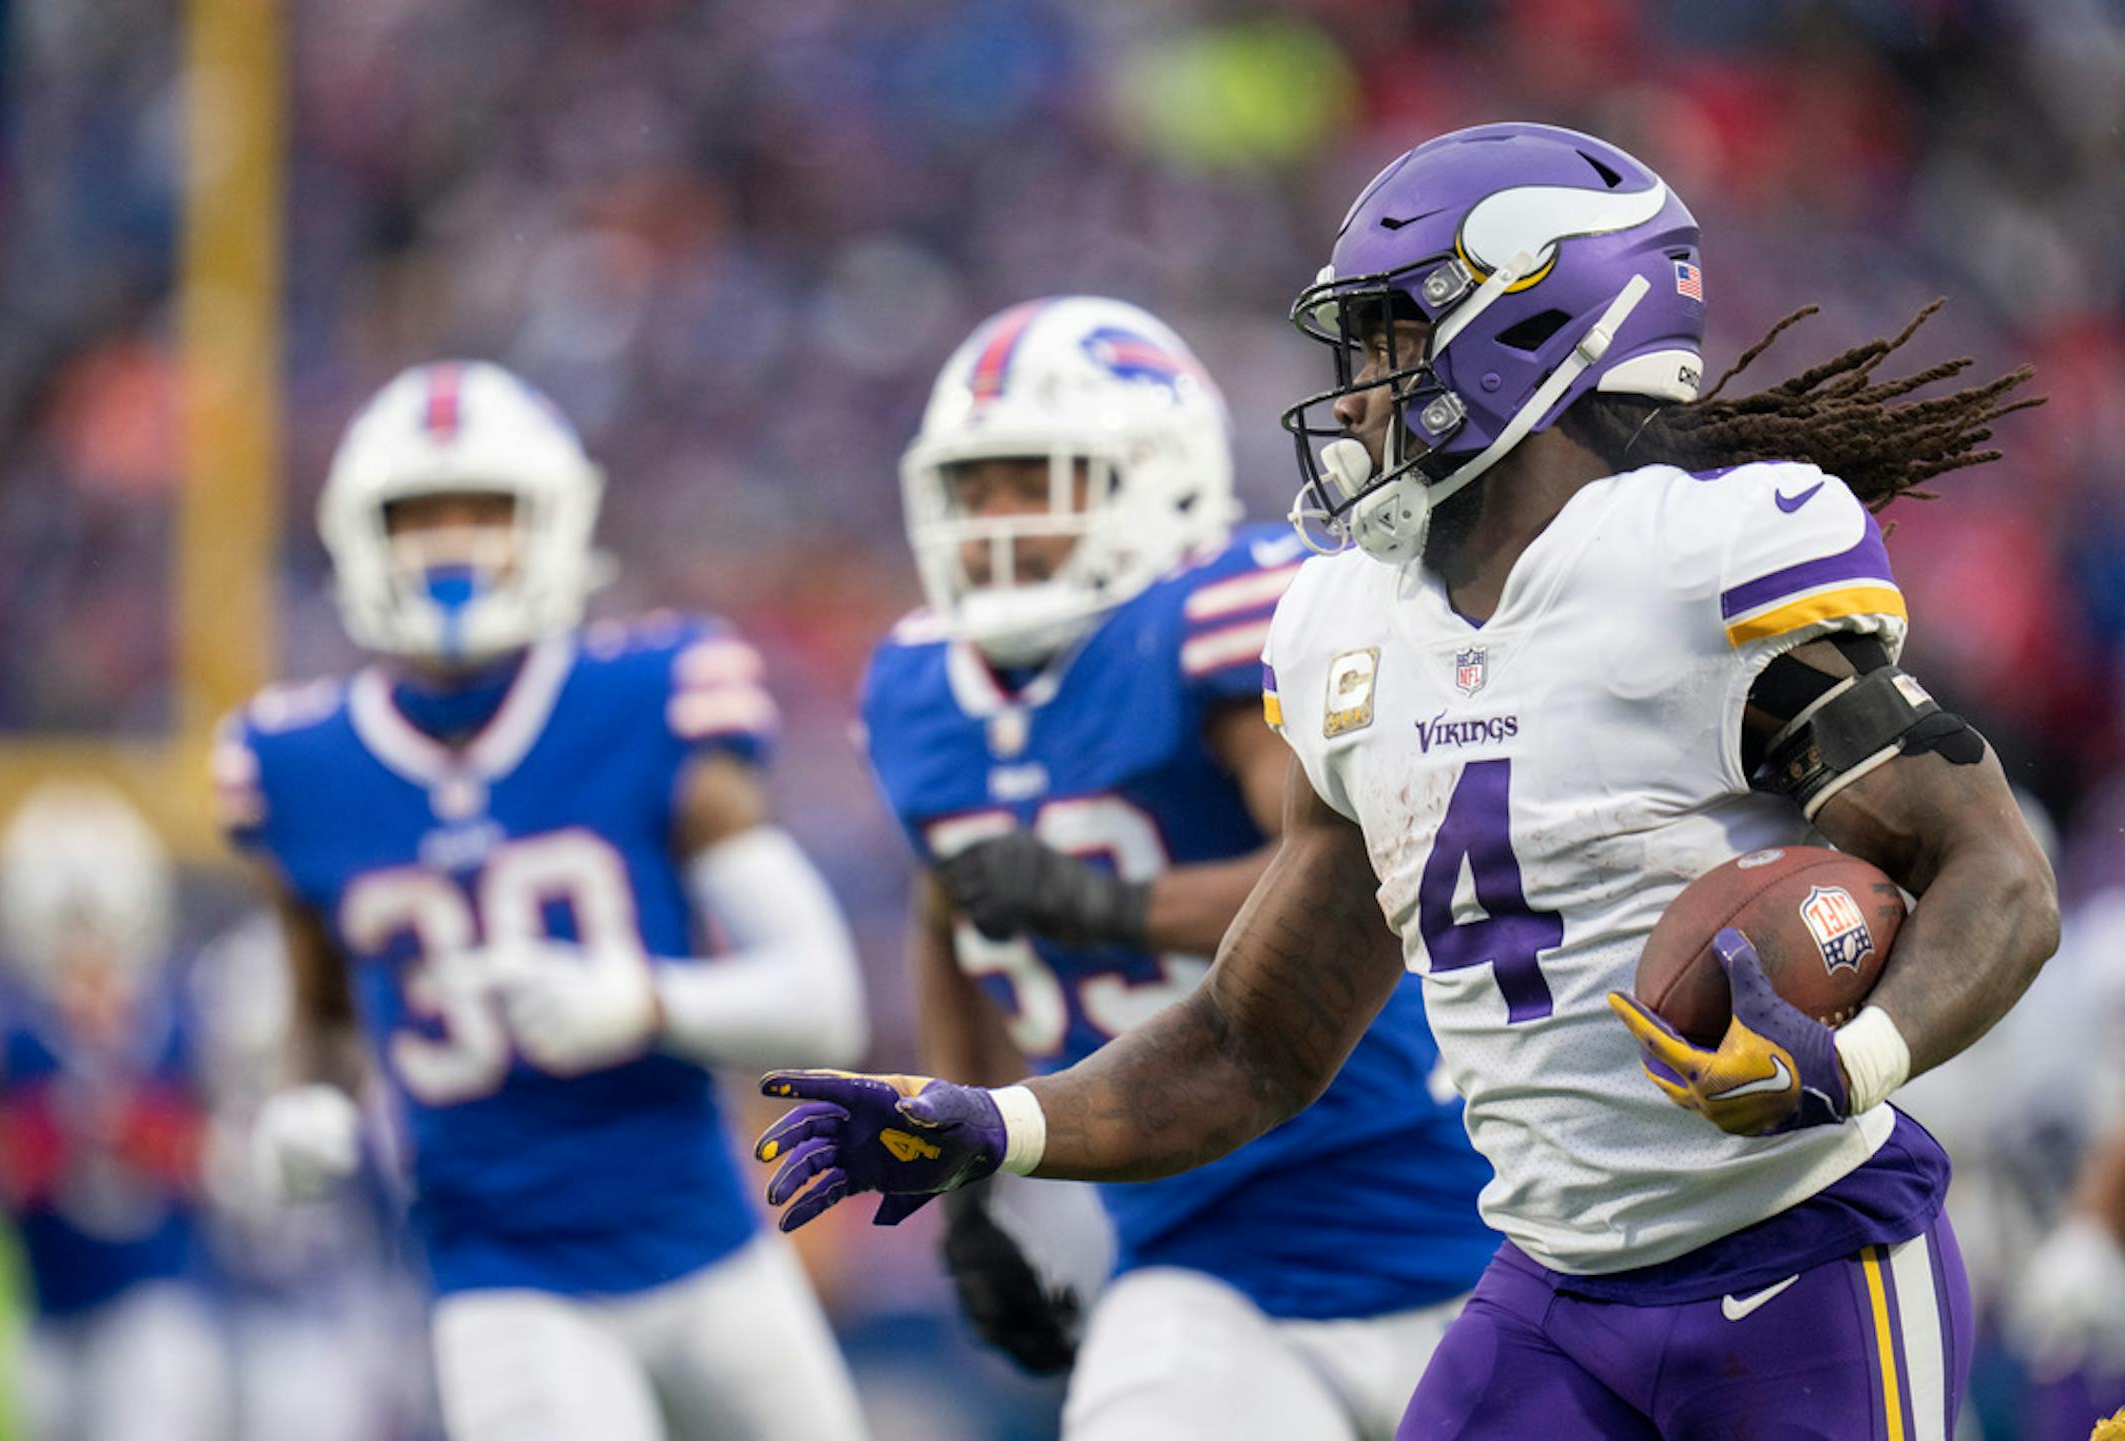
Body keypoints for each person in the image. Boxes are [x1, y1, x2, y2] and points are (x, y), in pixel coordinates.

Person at [756, 123, 2060, 1440]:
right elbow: (1251, 1044)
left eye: (1387, 342)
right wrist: (994, 1123)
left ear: (1530, 327)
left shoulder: (1698, 565)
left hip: (1804, 1259)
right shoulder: (1347, 630)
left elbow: (1996, 874)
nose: (1355, 398)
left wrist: (1851, 1058)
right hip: (1554, 1289)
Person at [858, 296, 1497, 1438]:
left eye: (1033, 480)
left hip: (1461, 1222)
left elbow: (1358, 868)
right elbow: (950, 902)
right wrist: (970, 1186)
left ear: (1158, 479)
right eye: (974, 489)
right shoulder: (919, 693)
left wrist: (1104, 905)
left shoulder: (1220, 621)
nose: (997, 521)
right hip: (1199, 1256)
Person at [216, 360, 871, 1441]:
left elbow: (822, 1005)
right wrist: (307, 1101)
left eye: (486, 511)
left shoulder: (646, 699)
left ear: (553, 523)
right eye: (419, 516)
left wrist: (644, 1003)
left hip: (707, 1246)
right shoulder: (299, 768)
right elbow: (324, 1011)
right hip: (504, 1274)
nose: (453, 547)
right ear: (357, 536)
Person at [0, 780, 233, 1441]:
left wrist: (145, 1135)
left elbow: (224, 1166)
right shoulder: (4, 1029)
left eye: (96, 928)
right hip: (41, 1308)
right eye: (66, 930)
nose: (85, 954)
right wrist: (36, 1141)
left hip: (156, 1300)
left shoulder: (182, 1014)